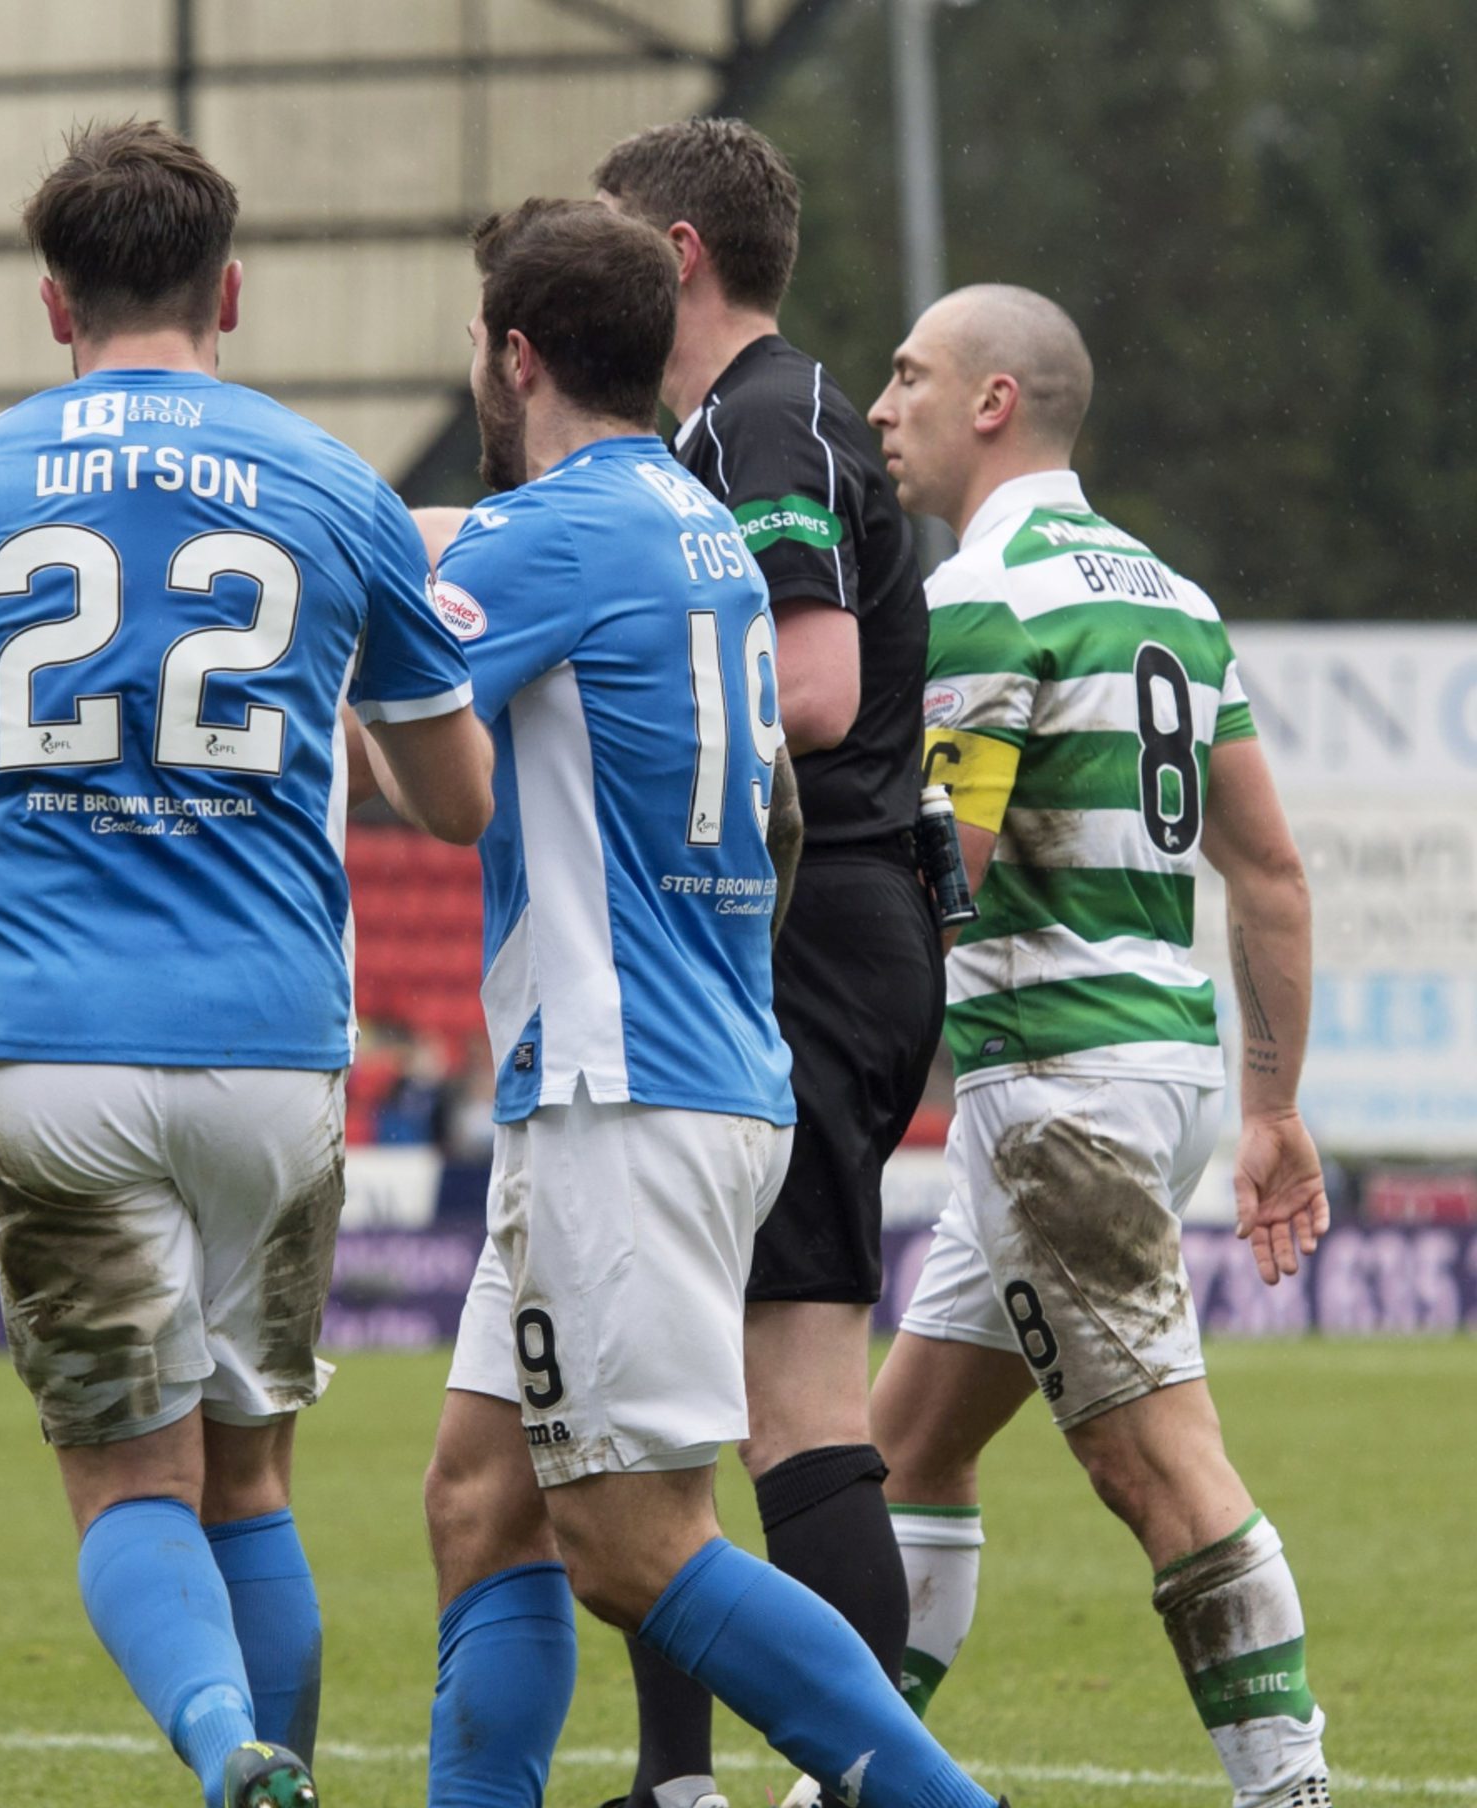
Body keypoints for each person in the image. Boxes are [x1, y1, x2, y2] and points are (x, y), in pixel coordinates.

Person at [0, 119, 492, 1808]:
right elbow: (461, 800)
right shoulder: (336, 484)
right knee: (252, 1481)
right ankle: (274, 1765)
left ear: (54, 305)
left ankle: (225, 1750)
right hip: (272, 1039)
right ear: (233, 292)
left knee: (129, 1488)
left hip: (52, 1036)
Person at [405, 196, 1001, 1808]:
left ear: (513, 353)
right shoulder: (688, 517)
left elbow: (409, 742)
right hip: (680, 1065)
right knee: (483, 1499)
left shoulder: (561, 532)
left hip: (625, 1089)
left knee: (625, 1541)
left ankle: (947, 1802)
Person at [866, 284, 1332, 1808]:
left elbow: (957, 870)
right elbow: (1265, 869)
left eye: (910, 377)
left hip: (1056, 1088)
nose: (882, 407)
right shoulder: (1175, 600)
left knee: (1162, 1468)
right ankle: (853, 1773)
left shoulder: (986, 596)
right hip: (1159, 1068)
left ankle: (1293, 1790)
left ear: (994, 402)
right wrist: (1274, 1113)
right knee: (902, 1455)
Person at [577, 118, 943, 1808]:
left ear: (672, 256)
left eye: (604, 252)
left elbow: (806, 689)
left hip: (805, 925)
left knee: (791, 1399)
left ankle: (857, 1783)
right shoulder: (727, 423)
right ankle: (680, 1785)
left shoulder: (767, 417)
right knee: (696, 1391)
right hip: (823, 926)